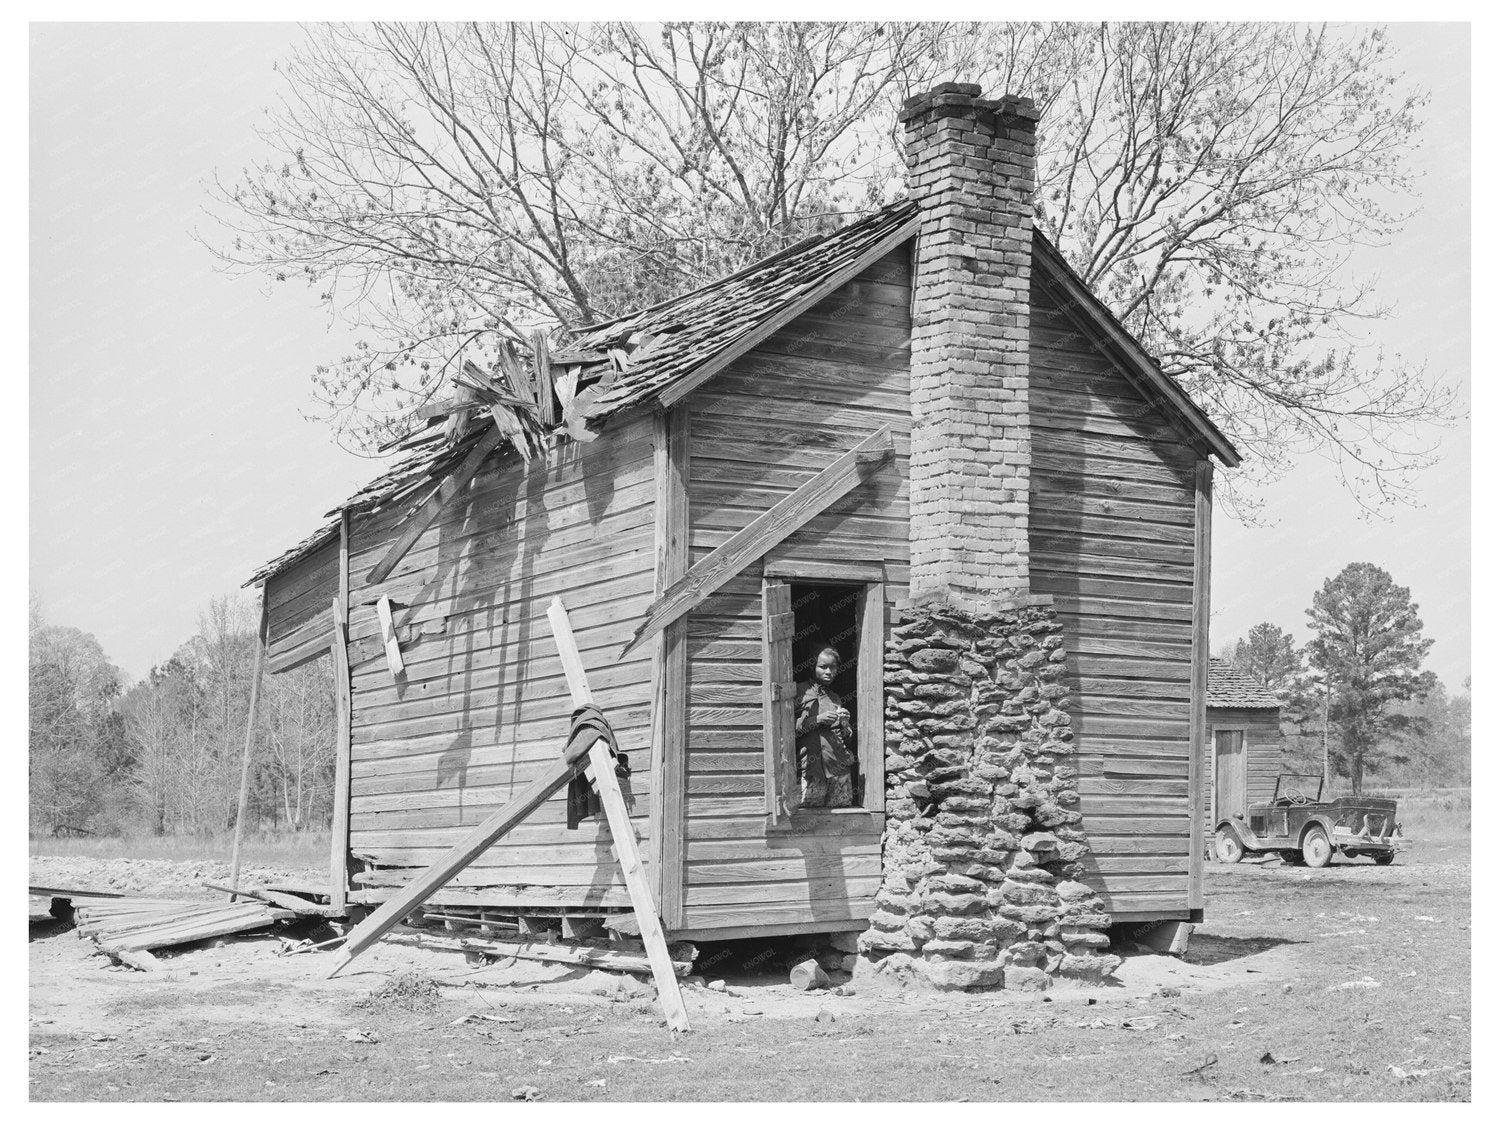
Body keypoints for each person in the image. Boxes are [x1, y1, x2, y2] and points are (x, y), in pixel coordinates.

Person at [794, 647, 856, 808]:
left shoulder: (834, 697)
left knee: (841, 816)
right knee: (807, 817)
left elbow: (847, 739)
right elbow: (787, 730)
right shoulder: (799, 692)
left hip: (838, 769)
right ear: (812, 667)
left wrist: (844, 724)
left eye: (833, 667)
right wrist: (817, 719)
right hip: (812, 769)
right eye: (823, 667)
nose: (829, 671)